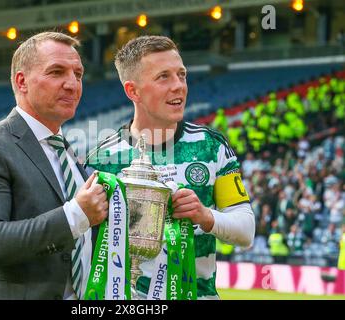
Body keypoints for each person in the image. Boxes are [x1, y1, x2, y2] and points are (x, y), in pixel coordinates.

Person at [85, 35, 255, 299]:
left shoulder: (211, 147)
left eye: (182, 74)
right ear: (133, 91)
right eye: (163, 77)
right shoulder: (102, 159)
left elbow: (246, 231)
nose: (179, 86)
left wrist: (205, 216)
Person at [0, 31, 108, 300]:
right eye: (57, 72)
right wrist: (76, 215)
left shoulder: (68, 155)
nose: (72, 84)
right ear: (21, 82)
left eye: (78, 74)